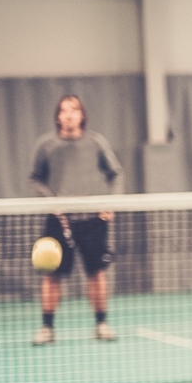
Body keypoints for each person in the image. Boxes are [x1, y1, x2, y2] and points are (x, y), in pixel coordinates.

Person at [30, 94, 123, 344]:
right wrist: (53, 202)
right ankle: (47, 328)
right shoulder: (46, 145)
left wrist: (109, 203)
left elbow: (115, 173)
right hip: (59, 220)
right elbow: (36, 178)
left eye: (74, 110)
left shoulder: (96, 142)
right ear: (58, 116)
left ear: (82, 115)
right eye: (64, 110)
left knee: (96, 273)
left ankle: (102, 324)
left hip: (93, 220)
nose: (69, 114)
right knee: (51, 275)